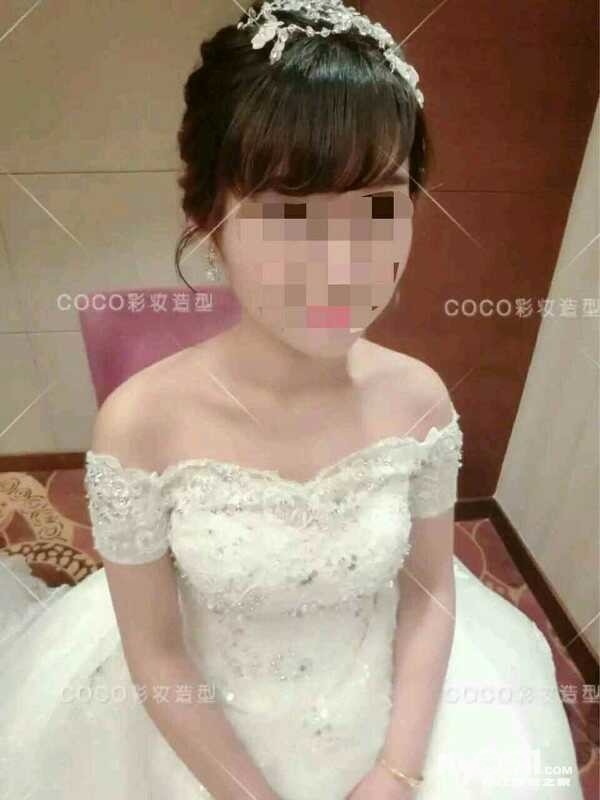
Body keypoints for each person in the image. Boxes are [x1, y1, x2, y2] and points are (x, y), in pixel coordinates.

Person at [0, 2, 585, 799]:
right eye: (290, 213)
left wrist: (398, 772)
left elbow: (428, 597)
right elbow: (158, 654)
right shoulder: (140, 425)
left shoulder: (419, 400)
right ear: (208, 222)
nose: (344, 263)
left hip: (384, 708)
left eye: (378, 205)